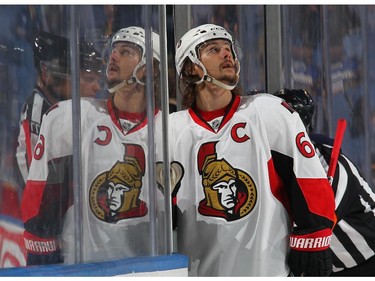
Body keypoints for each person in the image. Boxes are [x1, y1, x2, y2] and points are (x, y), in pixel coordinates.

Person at [169, 23, 336, 276]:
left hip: (268, 269)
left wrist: (314, 237)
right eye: (214, 49)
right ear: (191, 67)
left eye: (229, 49)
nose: (228, 54)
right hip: (198, 270)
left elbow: (309, 179)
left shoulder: (269, 111)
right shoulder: (170, 130)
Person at [20, 26, 164, 265]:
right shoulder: (69, 117)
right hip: (81, 267)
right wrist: (43, 267)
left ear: (151, 69)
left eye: (126, 51)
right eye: (113, 50)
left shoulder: (170, 129)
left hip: (146, 269)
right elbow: (40, 202)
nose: (113, 56)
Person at [274, 88, 375, 276]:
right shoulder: (277, 162)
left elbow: (321, 220)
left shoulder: (324, 159)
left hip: (367, 259)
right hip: (335, 268)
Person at [15, 31, 104, 188]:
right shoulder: (38, 111)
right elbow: (38, 184)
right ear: (46, 72)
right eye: (89, 79)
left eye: (98, 80)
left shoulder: (69, 107)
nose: (97, 87)